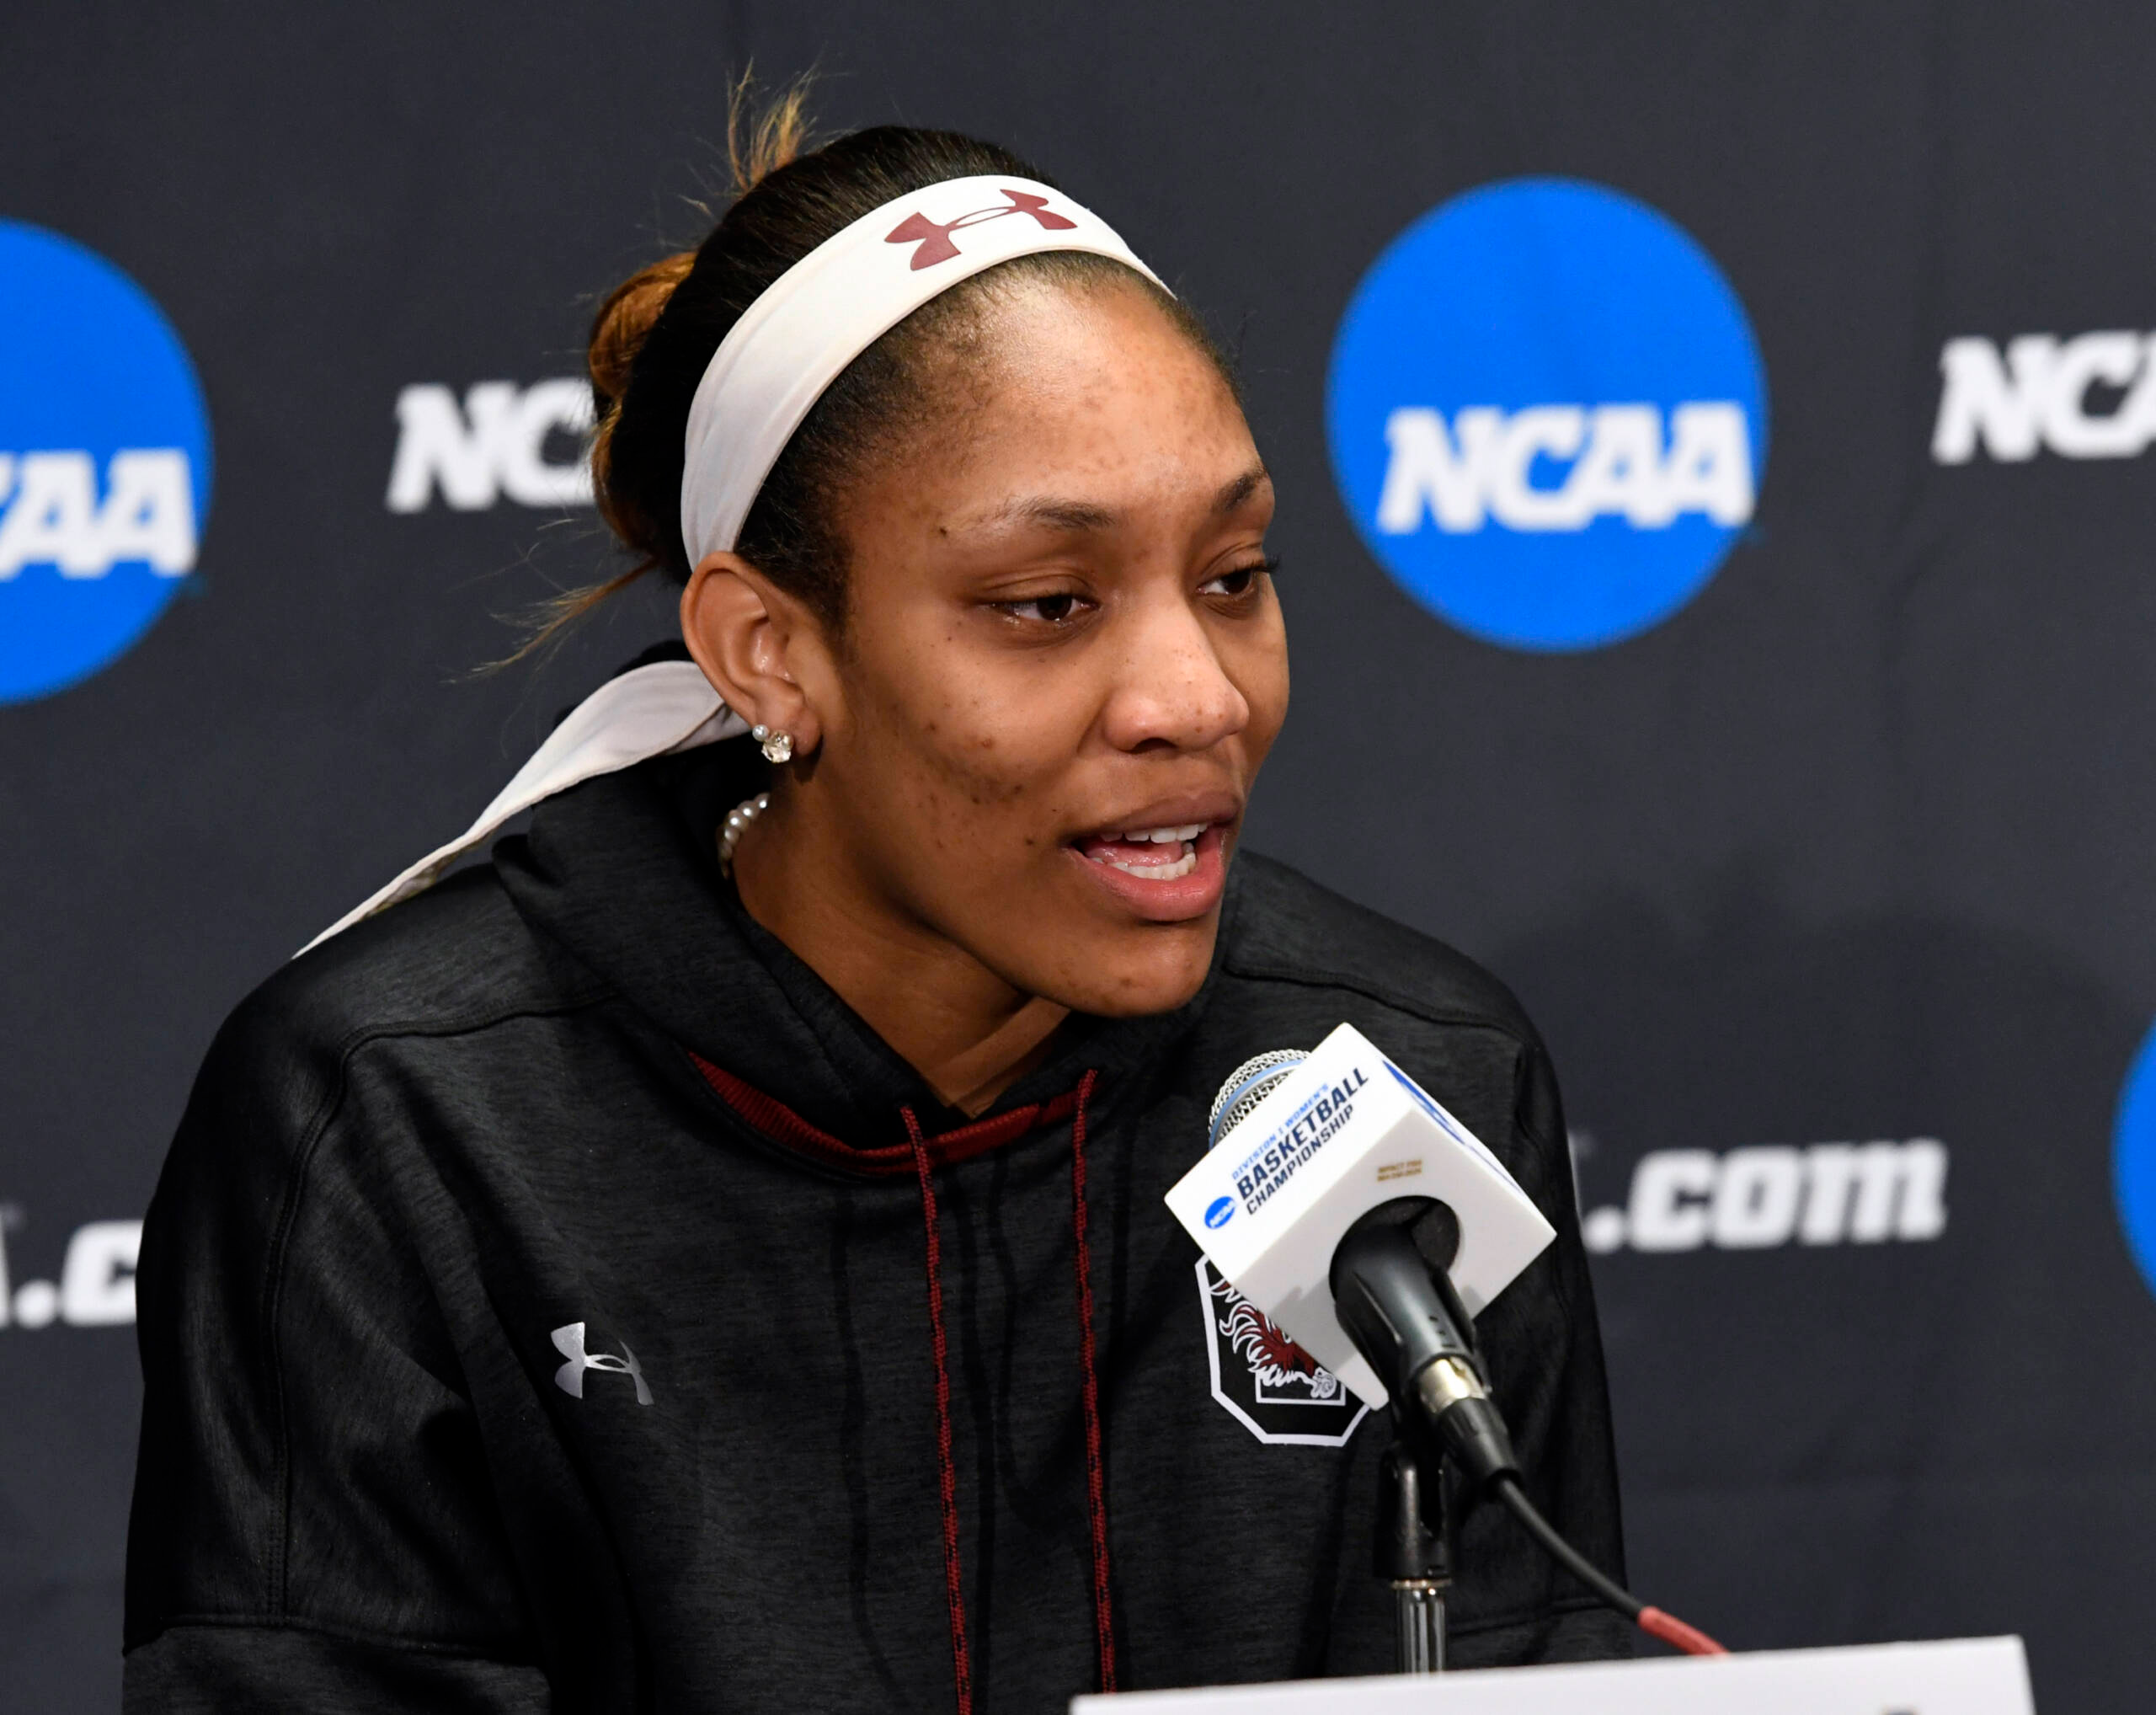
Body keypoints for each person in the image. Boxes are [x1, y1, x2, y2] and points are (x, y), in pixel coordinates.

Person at [122, 98, 1629, 1712]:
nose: (1198, 699)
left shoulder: (1409, 1079)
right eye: (1048, 604)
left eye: (1234, 577)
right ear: (770, 652)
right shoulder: (400, 1122)